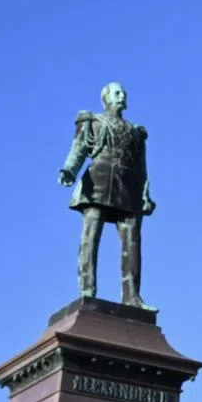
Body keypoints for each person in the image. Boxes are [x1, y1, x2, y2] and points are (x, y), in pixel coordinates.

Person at [58, 83, 155, 310]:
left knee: (132, 241)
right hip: (98, 183)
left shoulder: (136, 132)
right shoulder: (92, 122)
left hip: (128, 187)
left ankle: (132, 296)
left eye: (123, 93)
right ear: (106, 99)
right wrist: (69, 170)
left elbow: (142, 167)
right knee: (90, 238)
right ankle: (87, 290)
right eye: (117, 93)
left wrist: (145, 194)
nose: (122, 96)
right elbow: (79, 148)